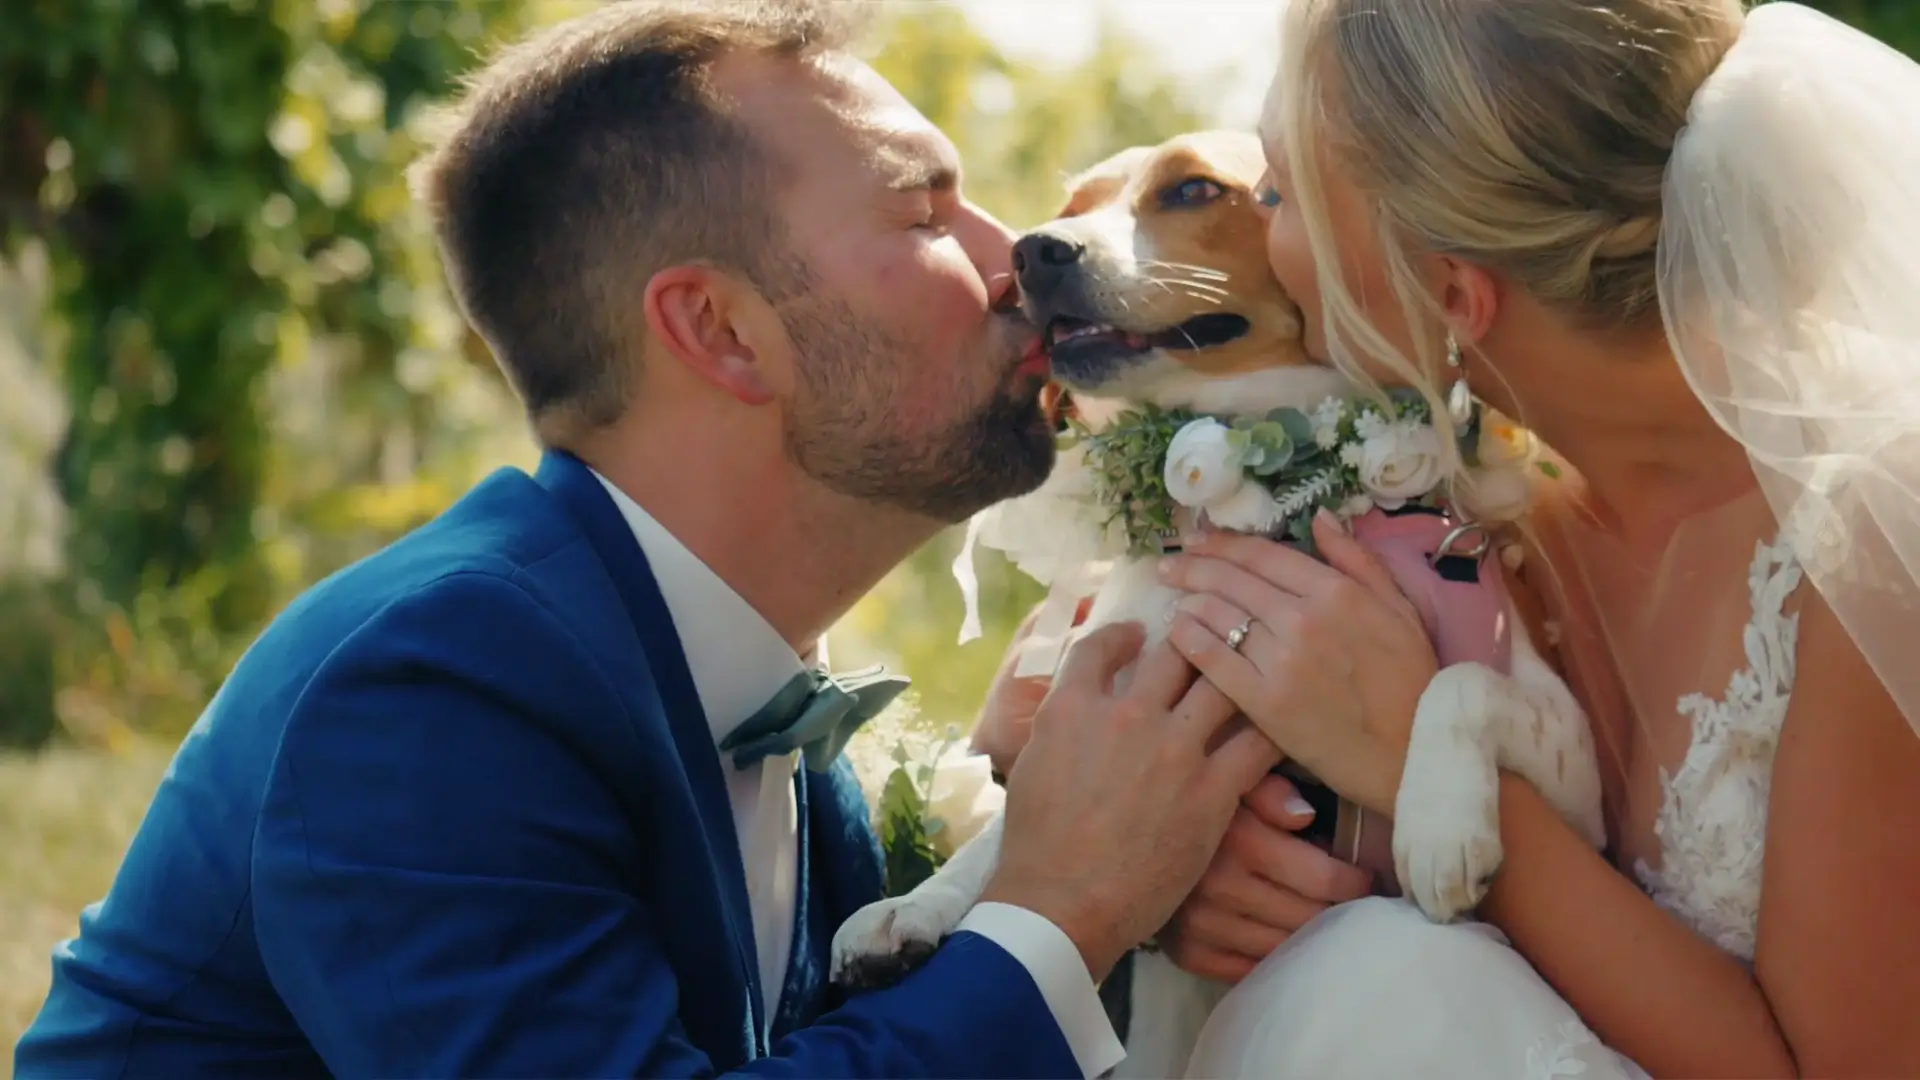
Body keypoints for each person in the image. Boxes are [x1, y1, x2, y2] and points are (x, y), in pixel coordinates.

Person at [11, 2, 1285, 1076]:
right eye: (924, 213)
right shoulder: (430, 694)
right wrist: (1062, 906)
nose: (1021, 257)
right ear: (722, 332)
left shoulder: (740, 684)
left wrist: (1065, 839)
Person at [1151, 1, 1920, 1076]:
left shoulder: (1880, 532)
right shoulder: (1505, 517)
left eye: (1280, 197)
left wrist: (1426, 763)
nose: (1268, 241)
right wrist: (1224, 870)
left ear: (1453, 294)